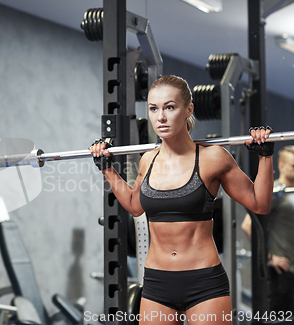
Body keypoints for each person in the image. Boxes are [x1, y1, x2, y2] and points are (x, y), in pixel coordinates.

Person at [90, 75, 274, 325]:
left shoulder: (213, 158)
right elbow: (135, 206)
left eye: (170, 107)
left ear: (189, 109)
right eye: (153, 109)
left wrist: (265, 157)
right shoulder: (148, 159)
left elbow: (259, 204)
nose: (160, 117)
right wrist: (107, 169)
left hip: (204, 283)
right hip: (156, 283)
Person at [241, 145, 294, 315]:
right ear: (281, 166)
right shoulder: (275, 192)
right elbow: (247, 225)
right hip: (284, 271)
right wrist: (269, 257)